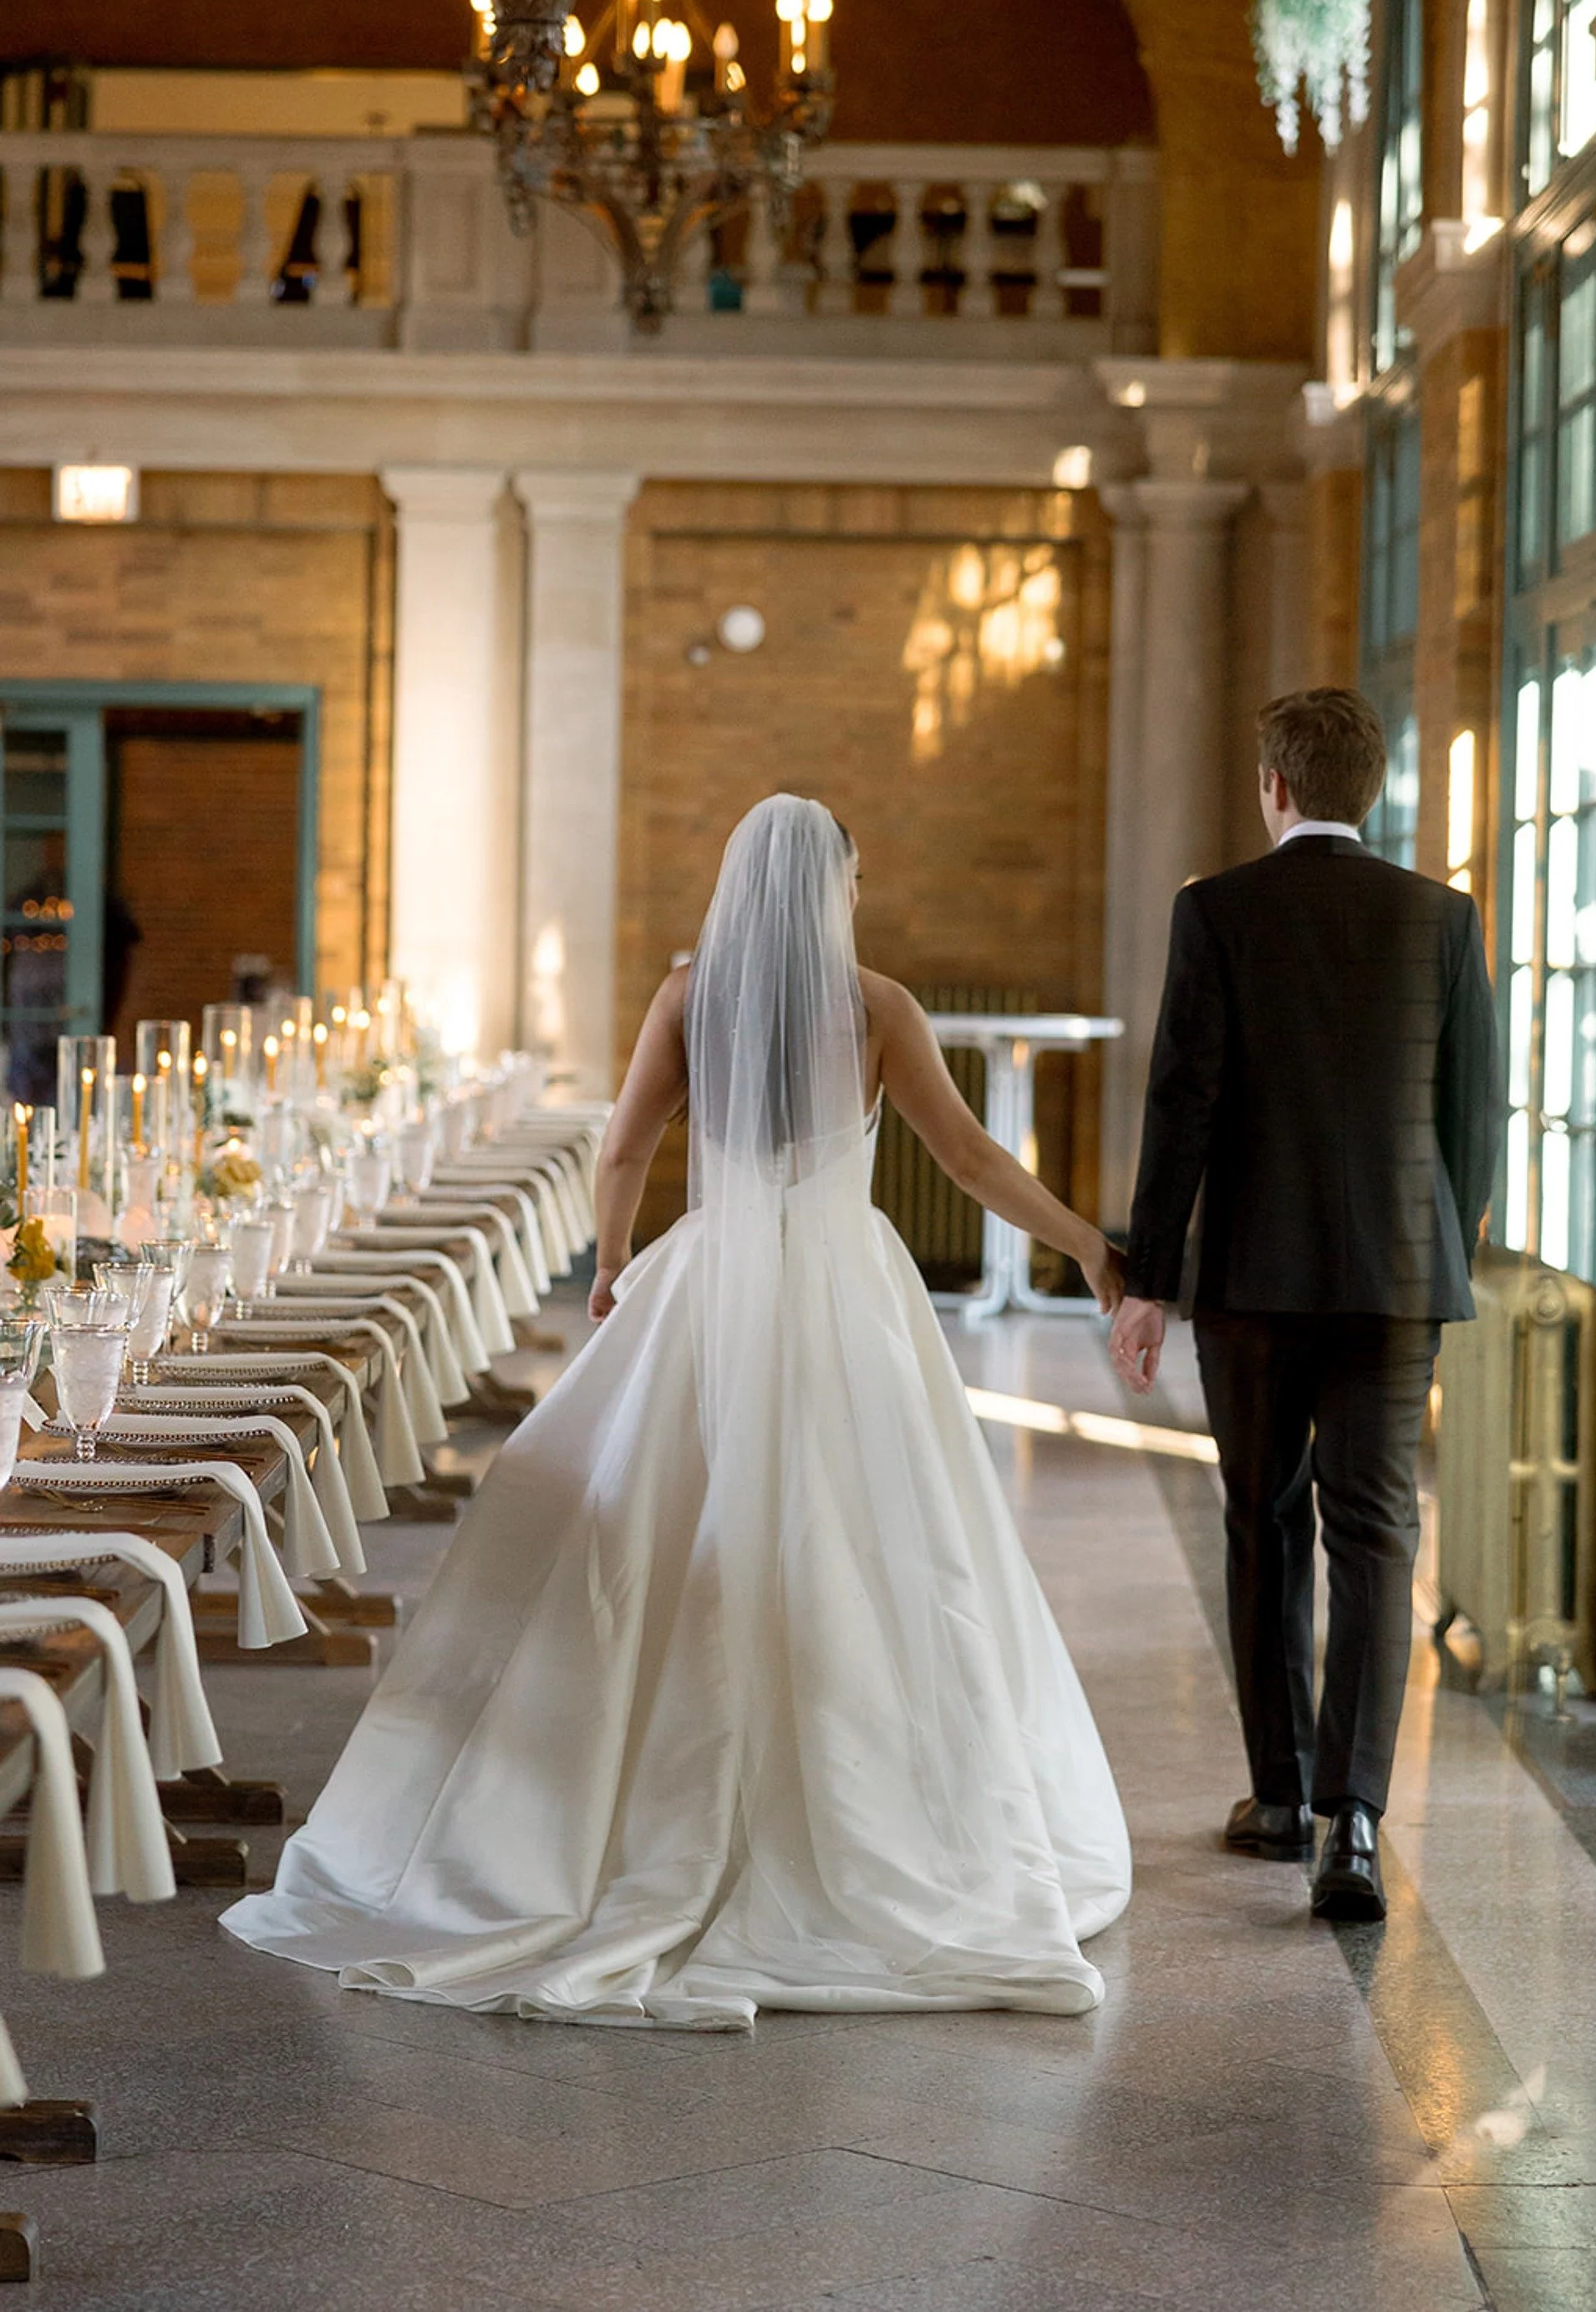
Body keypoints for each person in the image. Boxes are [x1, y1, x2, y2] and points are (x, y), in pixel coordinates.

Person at [223, 795, 1131, 2025]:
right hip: (847, 1299)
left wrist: (609, 1265)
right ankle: (867, 1815)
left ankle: (615, 1818)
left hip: (703, 1286)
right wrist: (1085, 1243)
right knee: (877, 1548)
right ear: (833, 890)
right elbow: (971, 1159)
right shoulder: (877, 1008)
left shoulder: (687, 998)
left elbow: (624, 1146)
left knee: (654, 1545)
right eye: (851, 882)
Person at [1109, 689, 1502, 1922]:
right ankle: (1356, 1827)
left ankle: (1277, 1797)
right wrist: (1441, 1247)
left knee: (1262, 1520)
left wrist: (1149, 1280)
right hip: (1397, 1280)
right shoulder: (1442, 917)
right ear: (1368, 790)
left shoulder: (1215, 911)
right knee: (1377, 1539)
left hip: (1254, 1283)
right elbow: (1472, 1119)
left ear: (1273, 785)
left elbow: (1185, 1104)